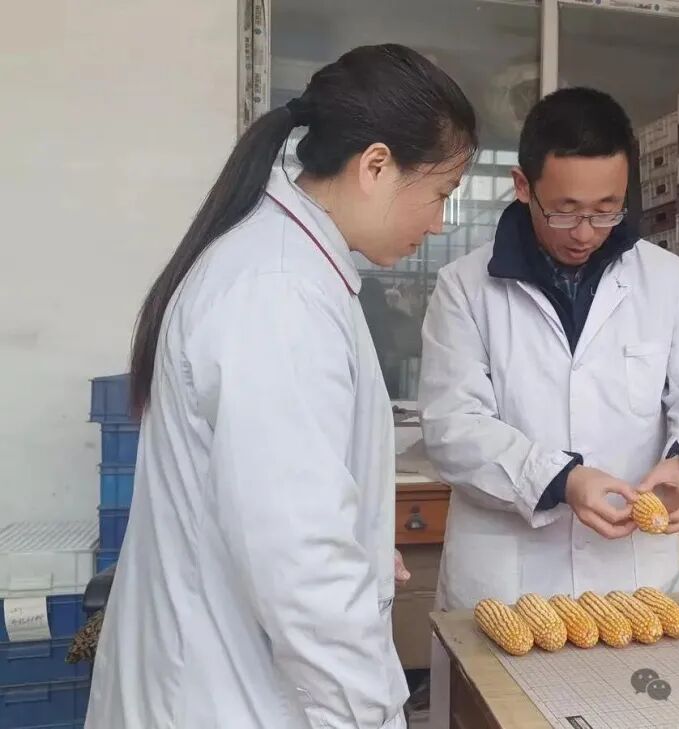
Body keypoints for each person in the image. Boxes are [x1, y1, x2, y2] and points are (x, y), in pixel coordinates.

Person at [85, 44, 477, 729]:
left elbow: (281, 503)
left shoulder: (287, 267)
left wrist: (358, 540)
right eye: (441, 193)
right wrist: (371, 713)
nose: (440, 221)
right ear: (376, 166)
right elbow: (301, 562)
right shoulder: (279, 292)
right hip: (226, 698)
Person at [417, 87, 679, 724]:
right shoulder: (465, 289)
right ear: (523, 186)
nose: (586, 233)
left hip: (629, 590)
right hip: (509, 590)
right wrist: (562, 481)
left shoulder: (667, 281)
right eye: (566, 210)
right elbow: (452, 426)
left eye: (606, 210)